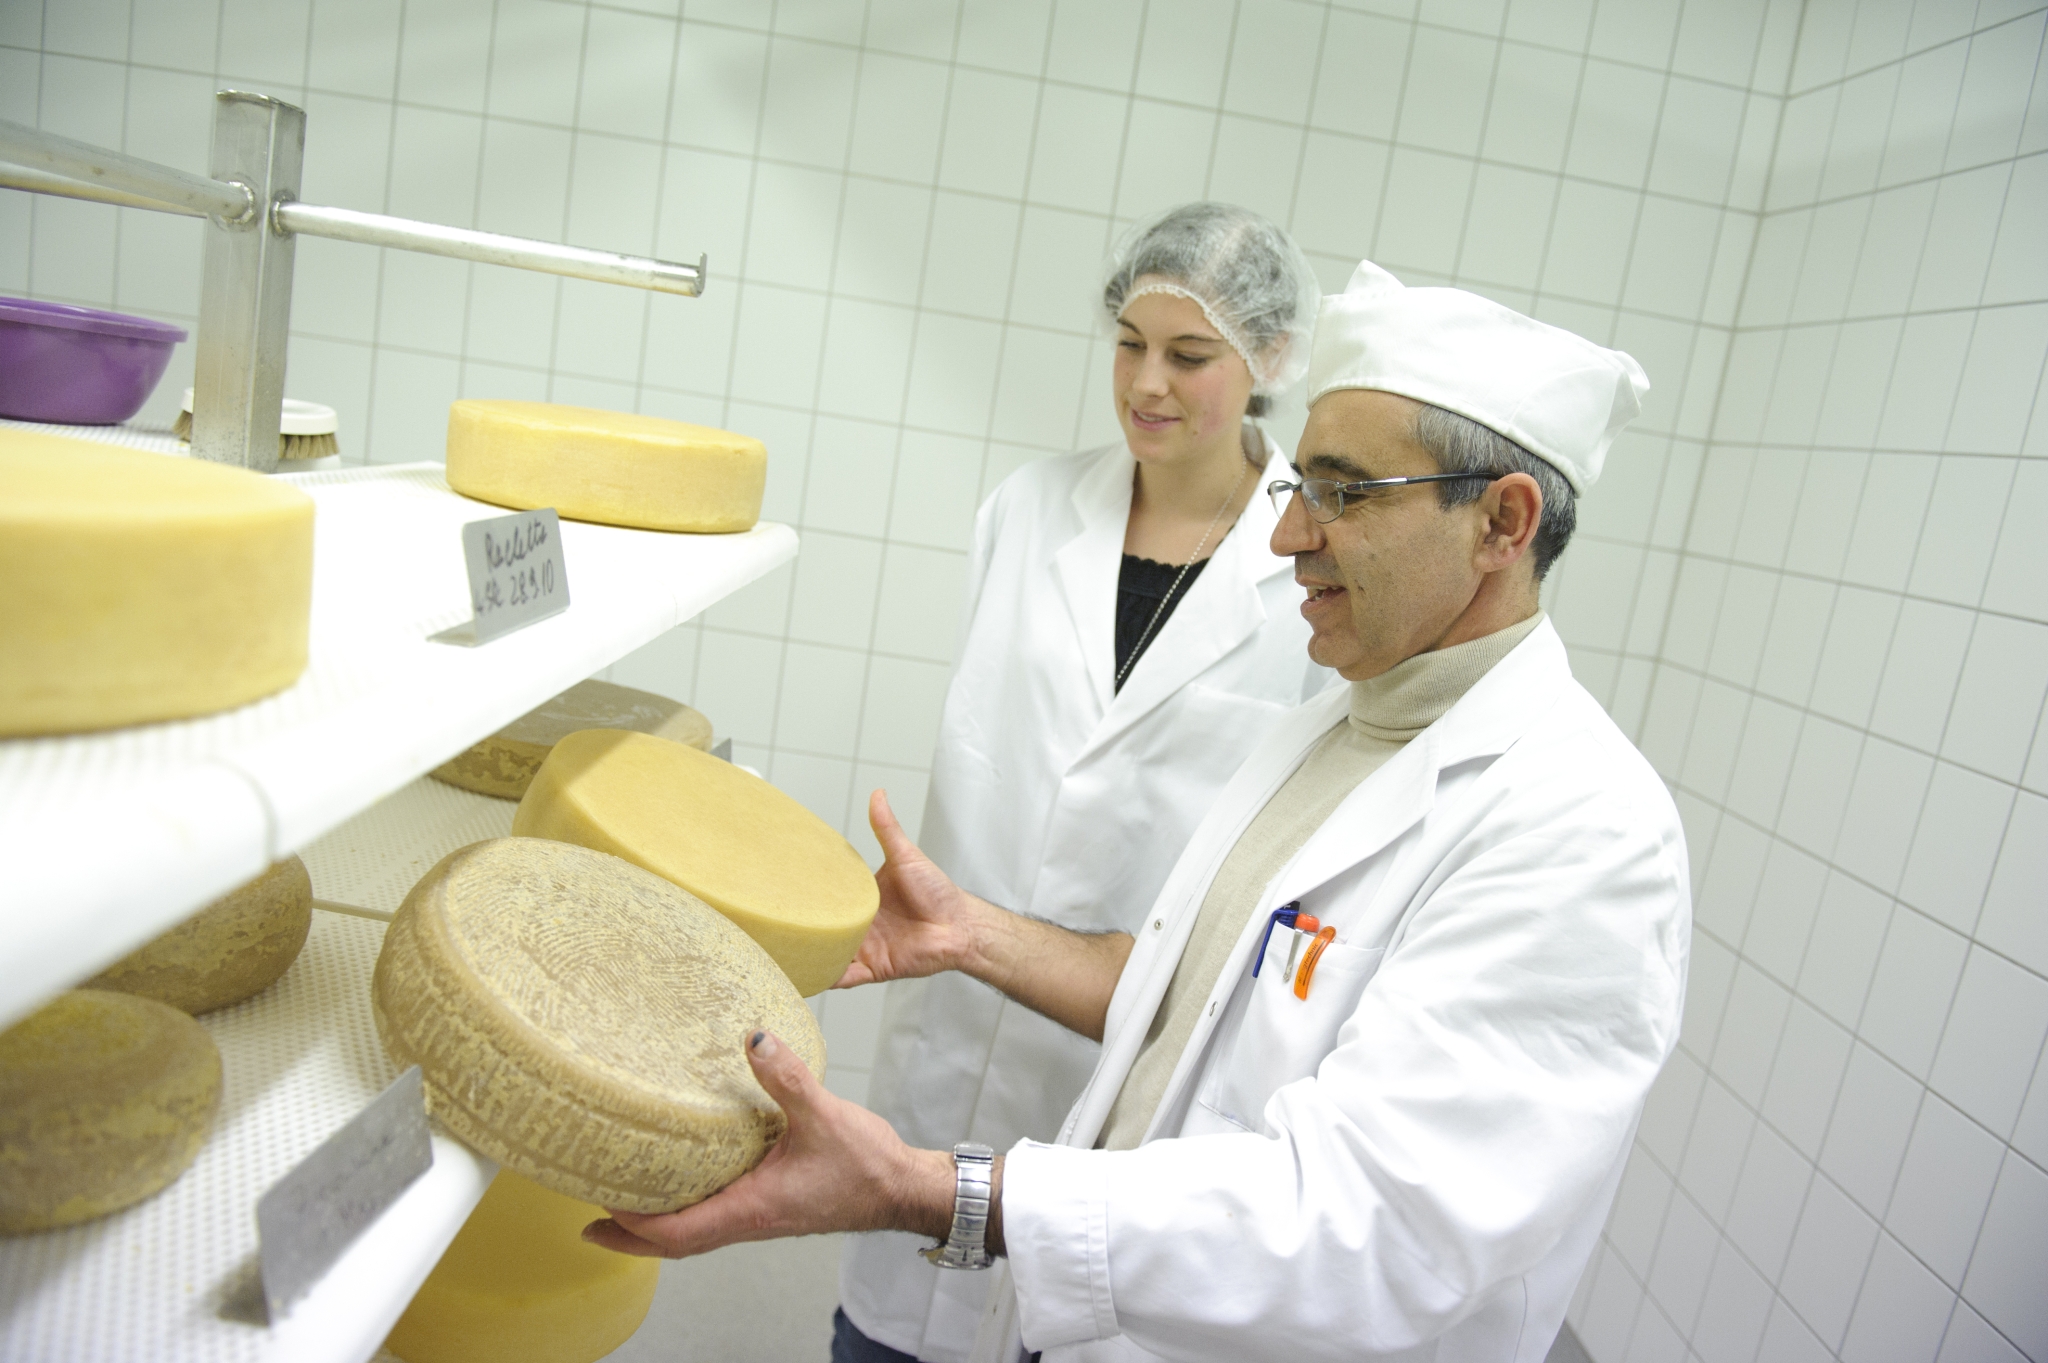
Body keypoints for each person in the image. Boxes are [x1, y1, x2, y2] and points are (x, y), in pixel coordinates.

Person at [585, 260, 1690, 1363]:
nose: (1288, 535)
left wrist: (923, 1190)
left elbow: (1366, 1230)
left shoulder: (1577, 831)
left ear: (1502, 520)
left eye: (1342, 493)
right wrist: (970, 933)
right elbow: (1193, 1001)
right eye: (1297, 485)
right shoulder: (1326, 734)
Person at [832, 204, 1328, 1362]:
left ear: (1267, 361)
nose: (1146, 382)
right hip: (951, 1033)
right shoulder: (1026, 511)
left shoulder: (1309, 566)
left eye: (1188, 355)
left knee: (1060, 1319)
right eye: (1127, 341)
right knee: (885, 1335)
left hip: (1124, 1075)